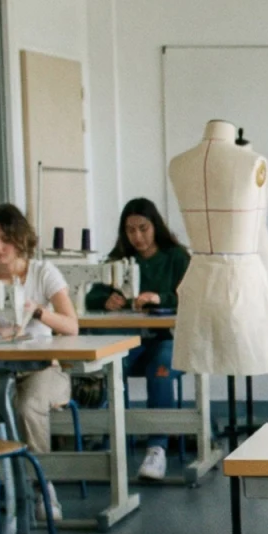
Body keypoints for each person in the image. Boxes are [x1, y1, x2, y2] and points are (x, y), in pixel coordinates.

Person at [0, 203, 79, 517]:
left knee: (27, 404)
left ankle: (45, 490)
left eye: (5, 239)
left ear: (21, 239)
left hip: (44, 368)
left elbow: (72, 325)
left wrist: (39, 311)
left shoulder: (44, 273)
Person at [85, 198, 191, 481]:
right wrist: (107, 299)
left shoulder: (177, 257)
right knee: (111, 366)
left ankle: (157, 447)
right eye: (130, 231)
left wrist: (161, 299)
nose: (137, 237)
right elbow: (91, 294)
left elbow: (193, 296)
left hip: (167, 340)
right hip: (132, 341)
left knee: (161, 369)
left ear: (155, 226)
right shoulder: (119, 260)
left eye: (143, 228)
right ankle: (116, 440)